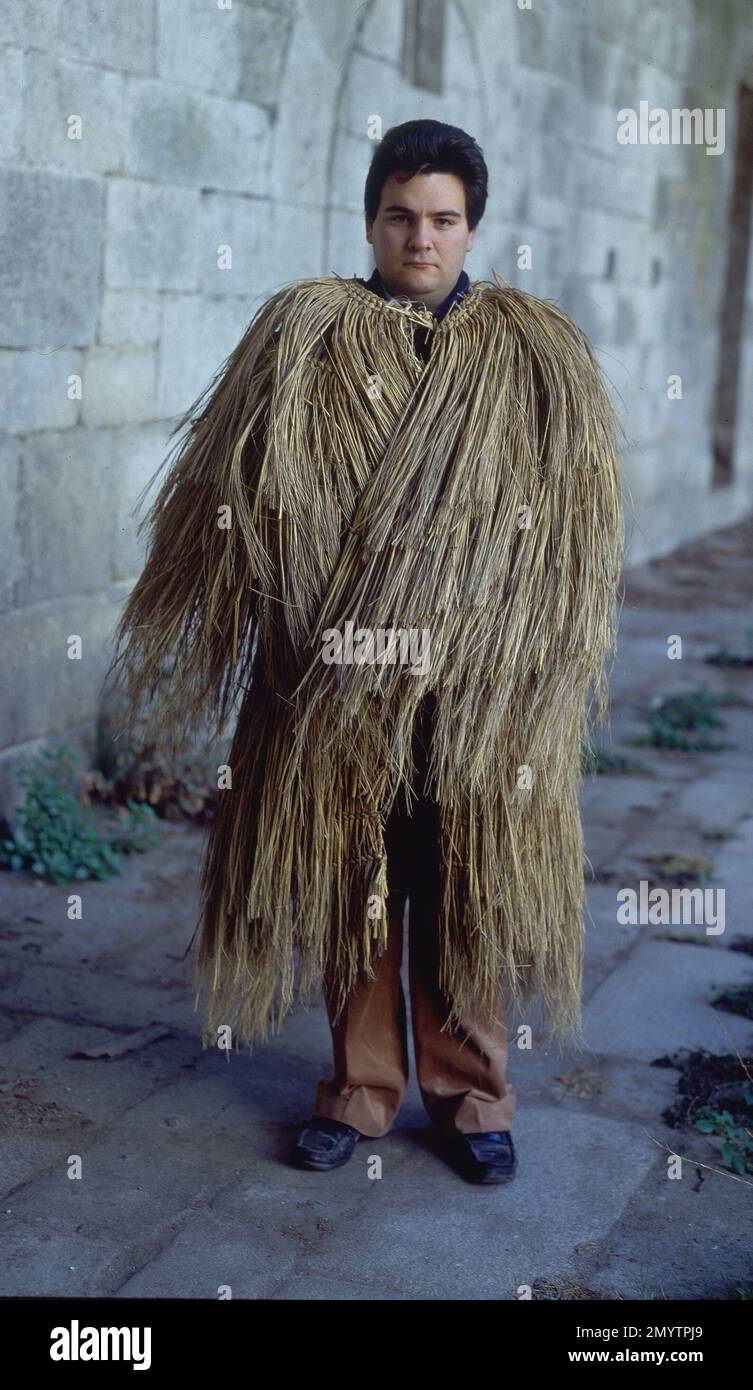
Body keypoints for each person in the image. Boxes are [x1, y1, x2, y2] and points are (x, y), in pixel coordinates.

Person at [108, 119, 624, 1186]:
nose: (420, 239)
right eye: (401, 217)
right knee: (356, 885)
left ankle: (475, 1098)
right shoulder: (305, 334)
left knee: (470, 885)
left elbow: (576, 530)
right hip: (329, 685)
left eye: (442, 220)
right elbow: (225, 496)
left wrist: (514, 660)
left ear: (473, 225)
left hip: (480, 692)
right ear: (370, 220)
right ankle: (359, 1091)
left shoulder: (536, 351)